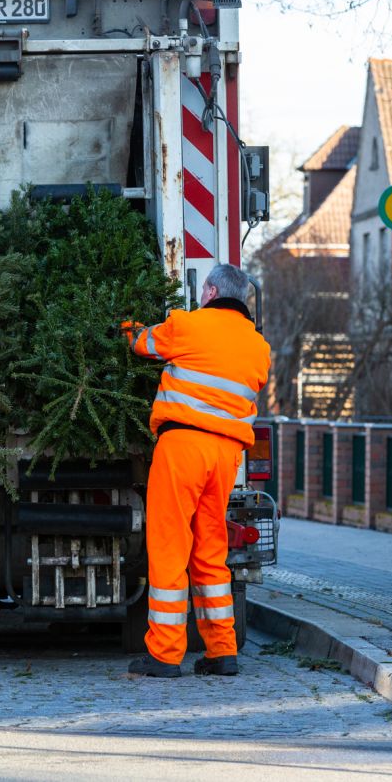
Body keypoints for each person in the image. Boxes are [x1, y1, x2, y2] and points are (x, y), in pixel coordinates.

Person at [123, 263, 270, 679]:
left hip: (183, 446)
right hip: (225, 456)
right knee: (210, 549)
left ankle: (165, 654)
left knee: (170, 545)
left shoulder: (187, 325)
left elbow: (142, 344)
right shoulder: (259, 347)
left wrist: (126, 326)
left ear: (208, 291)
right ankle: (222, 650)